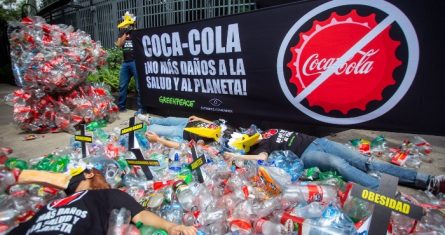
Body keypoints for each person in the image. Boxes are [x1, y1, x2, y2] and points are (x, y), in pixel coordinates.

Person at [223, 128, 445, 194]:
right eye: (242, 137)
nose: (247, 133)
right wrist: (236, 156)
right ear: (244, 143)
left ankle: (428, 181)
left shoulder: (265, 133)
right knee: (342, 166)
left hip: (319, 141)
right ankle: (385, 192)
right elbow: (261, 158)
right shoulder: (260, 147)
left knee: (366, 162)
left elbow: (228, 128)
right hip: (306, 155)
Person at [10, 168, 197, 235]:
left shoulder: (105, 195)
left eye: (72, 175)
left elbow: (139, 213)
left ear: (89, 174)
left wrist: (169, 226)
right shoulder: (48, 206)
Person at [138, 114, 233, 149]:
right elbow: (214, 124)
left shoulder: (213, 146)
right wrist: (199, 118)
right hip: (189, 122)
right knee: (169, 119)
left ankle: (150, 126)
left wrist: (158, 139)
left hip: (183, 132)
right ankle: (150, 120)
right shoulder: (229, 131)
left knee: (152, 129)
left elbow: (183, 147)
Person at [115, 11, 145, 115]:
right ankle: (121, 107)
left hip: (135, 62)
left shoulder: (136, 32)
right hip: (125, 63)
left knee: (138, 87)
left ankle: (141, 109)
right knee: (122, 86)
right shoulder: (123, 32)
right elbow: (119, 44)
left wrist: (132, 31)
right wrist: (125, 32)